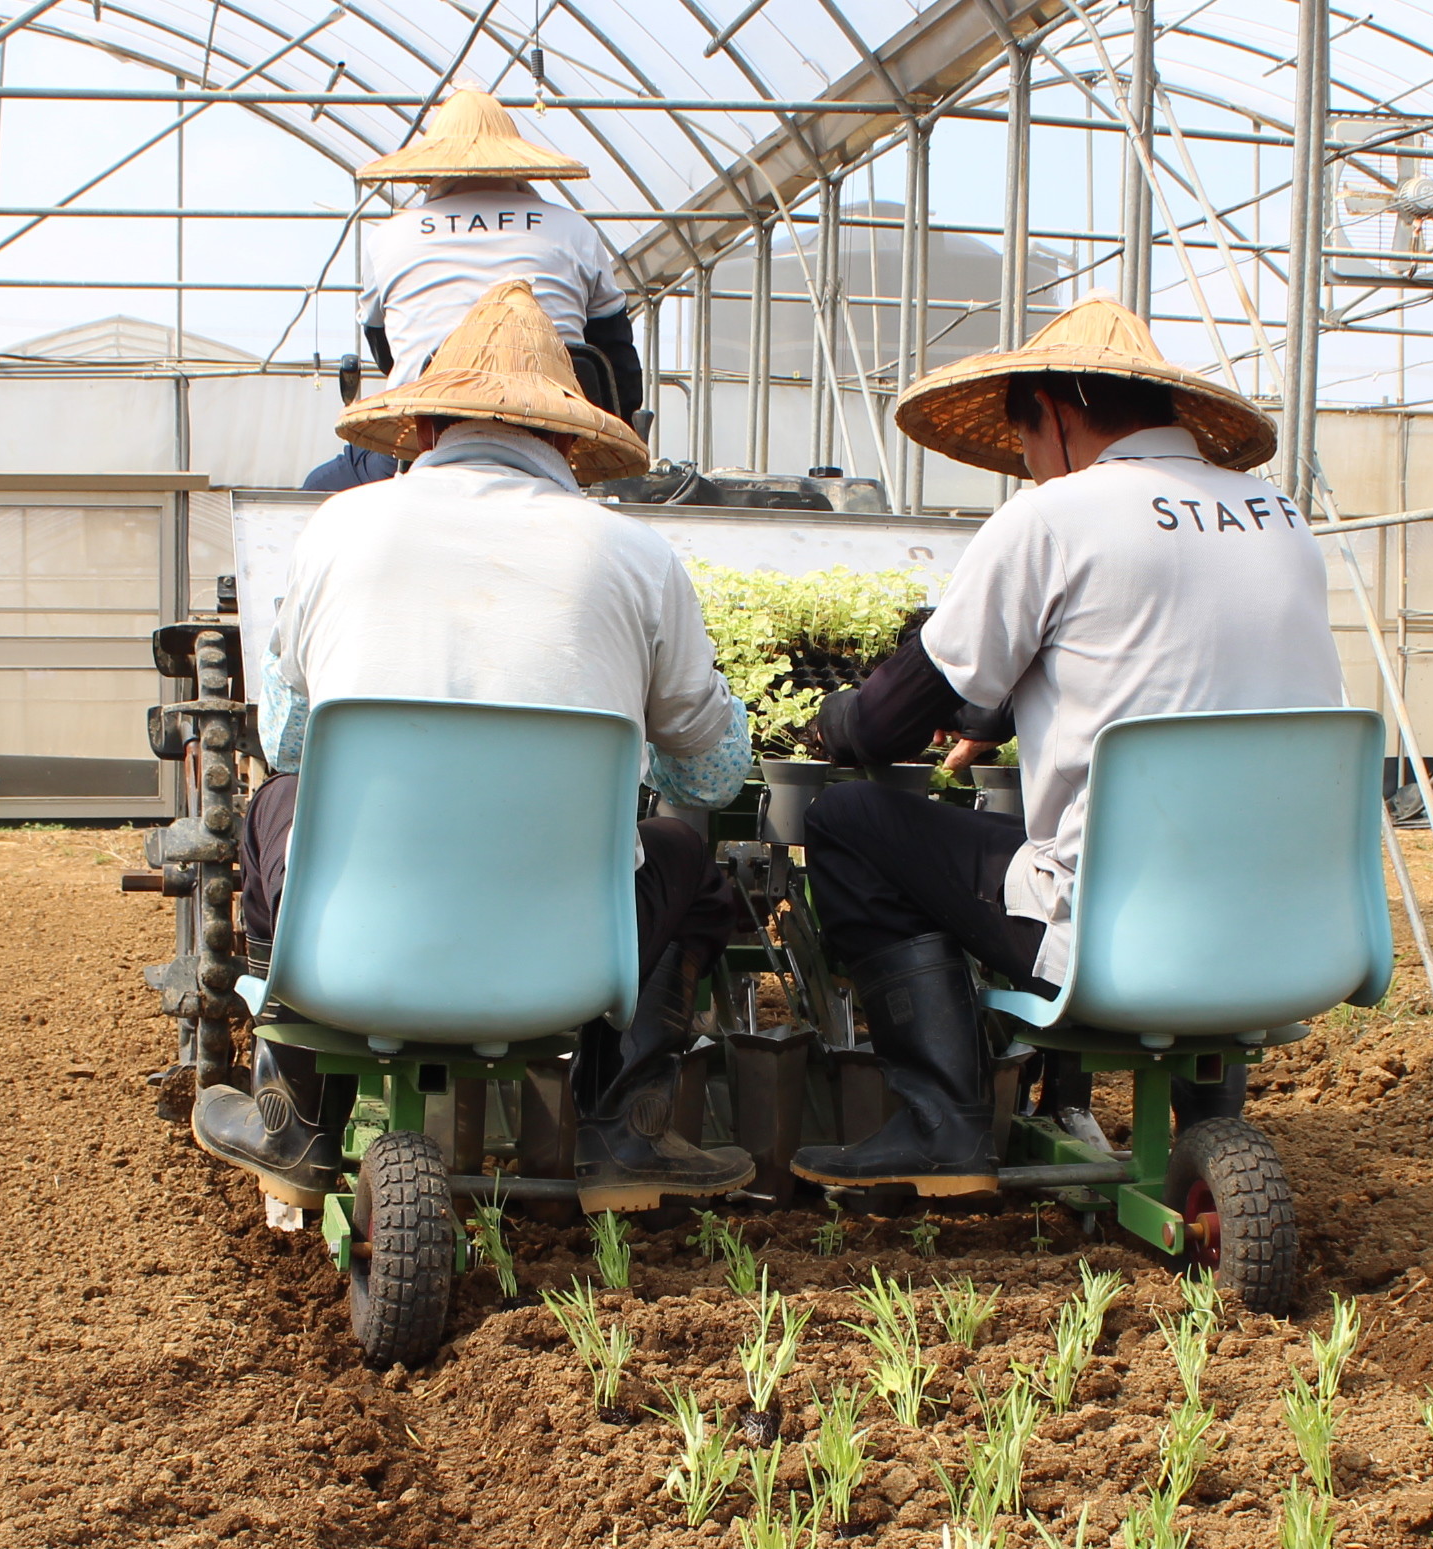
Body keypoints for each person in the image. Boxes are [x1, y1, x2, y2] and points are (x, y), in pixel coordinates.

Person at [193, 281, 752, 1213]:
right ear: (571, 441)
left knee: (274, 802)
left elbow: (290, 736)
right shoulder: (638, 556)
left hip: (351, 945)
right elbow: (714, 771)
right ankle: (622, 1129)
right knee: (690, 854)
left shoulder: (340, 530)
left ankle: (295, 1114)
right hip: (563, 965)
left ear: (423, 430)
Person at [787, 298, 1348, 1194]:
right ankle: (1211, 1122)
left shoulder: (1053, 518)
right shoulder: (1282, 519)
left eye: (1023, 448)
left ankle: (941, 1125)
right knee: (1189, 822)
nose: (1028, 470)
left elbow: (896, 716)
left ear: (1049, 413)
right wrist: (999, 713)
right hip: (1298, 925)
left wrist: (833, 720)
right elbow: (1165, 669)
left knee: (850, 819)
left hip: (1117, 931)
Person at [354, 85, 642, 421]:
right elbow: (618, 367)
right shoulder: (574, 230)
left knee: (324, 478)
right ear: (516, 163)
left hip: (425, 429)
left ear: (433, 168)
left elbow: (386, 353)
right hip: (556, 429)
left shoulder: (388, 237)